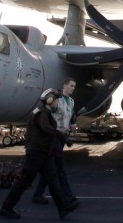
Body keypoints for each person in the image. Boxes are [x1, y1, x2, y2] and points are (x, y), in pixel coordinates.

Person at [0, 88, 80, 220]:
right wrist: (63, 137)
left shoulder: (44, 112)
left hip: (45, 151)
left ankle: (64, 207)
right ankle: (6, 208)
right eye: (56, 99)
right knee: (25, 180)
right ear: (50, 100)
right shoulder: (42, 114)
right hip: (37, 152)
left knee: (53, 179)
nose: (58, 102)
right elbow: (46, 128)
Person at [32, 78, 77, 206]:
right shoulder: (56, 101)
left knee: (49, 168)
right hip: (54, 136)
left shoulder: (72, 101)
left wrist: (73, 123)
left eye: (74, 86)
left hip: (63, 136)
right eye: (71, 85)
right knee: (60, 168)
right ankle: (68, 195)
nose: (73, 88)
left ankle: (37, 194)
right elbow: (45, 112)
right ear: (64, 85)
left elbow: (71, 114)